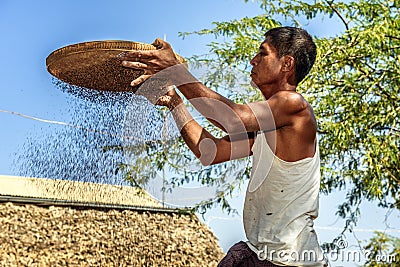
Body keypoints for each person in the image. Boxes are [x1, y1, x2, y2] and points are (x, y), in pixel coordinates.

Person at [121, 26, 327, 267]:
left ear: (287, 64)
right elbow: (210, 152)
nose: (253, 60)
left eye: (263, 53)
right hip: (261, 255)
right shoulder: (267, 126)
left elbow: (232, 120)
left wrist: (175, 72)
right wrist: (175, 102)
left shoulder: (294, 105)